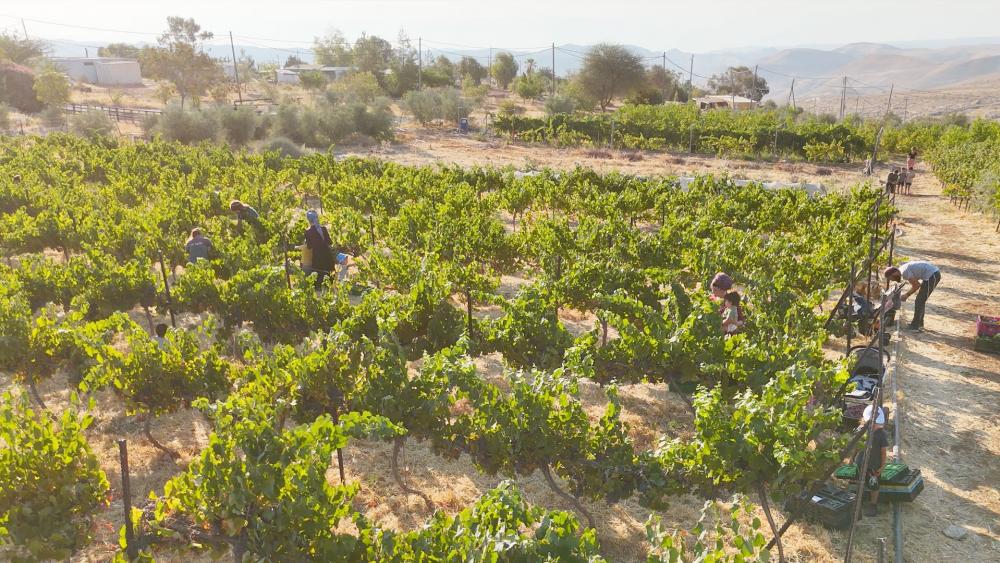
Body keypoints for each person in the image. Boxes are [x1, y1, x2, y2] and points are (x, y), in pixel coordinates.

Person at [884, 261, 941, 331]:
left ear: (894, 273)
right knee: (920, 300)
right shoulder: (901, 270)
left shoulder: (904, 272)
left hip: (933, 275)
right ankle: (918, 324)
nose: (894, 280)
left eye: (892, 278)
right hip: (930, 274)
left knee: (919, 301)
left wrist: (906, 295)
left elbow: (917, 285)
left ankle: (915, 326)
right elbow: (915, 280)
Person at [856, 405, 889, 516]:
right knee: (859, 482)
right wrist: (852, 460)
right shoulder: (861, 431)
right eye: (872, 423)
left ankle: (873, 504)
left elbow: (883, 452)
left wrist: (882, 466)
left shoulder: (881, 435)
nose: (874, 426)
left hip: (874, 465)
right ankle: (858, 502)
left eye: (876, 424)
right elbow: (856, 446)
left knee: (874, 485)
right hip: (861, 462)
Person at [304, 209, 336, 290]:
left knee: (318, 272)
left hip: (317, 256)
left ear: (309, 220)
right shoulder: (324, 228)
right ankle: (331, 285)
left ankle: (319, 287)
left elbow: (309, 246)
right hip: (327, 254)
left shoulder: (308, 232)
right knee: (329, 271)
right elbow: (330, 242)